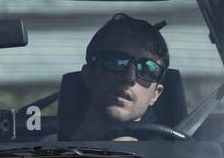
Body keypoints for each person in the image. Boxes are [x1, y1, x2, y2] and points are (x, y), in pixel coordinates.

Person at [68, 13, 169, 141]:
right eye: (116, 61)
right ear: (89, 75)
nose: (129, 77)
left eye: (148, 69)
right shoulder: (44, 153)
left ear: (155, 94)